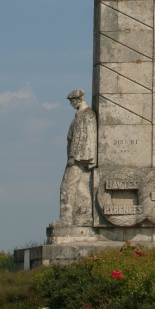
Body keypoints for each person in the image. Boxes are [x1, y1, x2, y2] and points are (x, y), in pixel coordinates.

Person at [58, 89, 97, 226]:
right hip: (78, 158)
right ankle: (83, 217)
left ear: (79, 99)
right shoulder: (82, 115)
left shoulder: (86, 115)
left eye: (72, 101)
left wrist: (75, 157)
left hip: (78, 158)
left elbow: (84, 138)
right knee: (81, 188)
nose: (71, 104)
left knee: (67, 186)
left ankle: (66, 219)